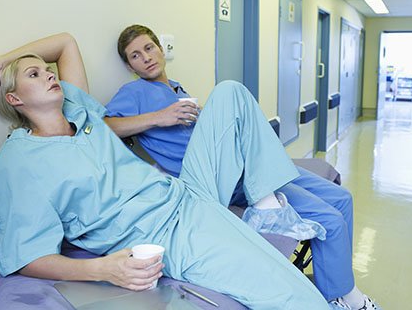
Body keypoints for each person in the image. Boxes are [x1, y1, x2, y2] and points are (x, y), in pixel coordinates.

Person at [0, 32, 332, 309]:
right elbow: (26, 258)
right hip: (167, 231)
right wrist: (104, 269)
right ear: (14, 99)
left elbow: (64, 43)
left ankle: (268, 211)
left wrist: (0, 62)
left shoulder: (78, 110)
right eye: (34, 75)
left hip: (182, 190)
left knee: (230, 93)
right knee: (299, 298)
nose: (50, 75)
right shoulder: (14, 164)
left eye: (47, 70)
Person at [103, 24, 381, 310]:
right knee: (331, 221)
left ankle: (336, 289)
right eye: (135, 56)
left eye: (149, 48)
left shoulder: (177, 89)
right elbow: (104, 126)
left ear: (160, 49)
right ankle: (344, 297)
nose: (146, 57)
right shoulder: (134, 92)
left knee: (341, 199)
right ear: (129, 66)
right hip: (215, 179)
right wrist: (159, 117)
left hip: (242, 165)